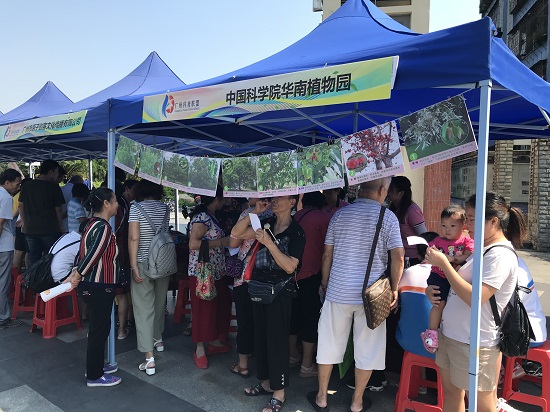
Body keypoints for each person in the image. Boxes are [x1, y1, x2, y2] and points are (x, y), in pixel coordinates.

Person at [424, 191, 526, 412]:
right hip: (452, 335)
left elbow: (475, 297)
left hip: (475, 342)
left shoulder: (500, 255)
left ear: (493, 221)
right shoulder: (480, 249)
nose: (467, 224)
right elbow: (456, 284)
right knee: (452, 394)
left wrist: (445, 265)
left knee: (481, 405)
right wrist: (431, 289)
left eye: (471, 219)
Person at [310, 177, 404, 412]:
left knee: (329, 344)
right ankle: (357, 402)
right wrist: (394, 288)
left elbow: (327, 254)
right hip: (371, 296)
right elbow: (398, 256)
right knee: (368, 349)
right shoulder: (388, 217)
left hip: (338, 290)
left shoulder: (339, 215)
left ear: (360, 189)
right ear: (382, 190)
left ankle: (322, 397)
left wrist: (324, 282)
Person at [232, 195, 305, 412]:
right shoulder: (266, 223)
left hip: (280, 292)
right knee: (261, 337)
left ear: (292, 202)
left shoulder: (297, 232)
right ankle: (265, 382)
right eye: (274, 197)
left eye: (281, 198)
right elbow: (236, 234)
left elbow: (290, 266)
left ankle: (279, 392)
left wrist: (269, 243)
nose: (275, 201)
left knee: (277, 340)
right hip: (259, 288)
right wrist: (254, 212)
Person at [64, 188, 121, 387]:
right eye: (115, 200)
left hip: (93, 284)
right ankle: (95, 375)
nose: (117, 205)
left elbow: (82, 253)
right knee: (99, 329)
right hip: (99, 285)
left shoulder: (90, 224)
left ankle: (95, 366)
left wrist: (75, 272)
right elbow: (93, 254)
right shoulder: (103, 227)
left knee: (99, 328)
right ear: (106, 203)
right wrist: (77, 274)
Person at [128, 180, 174, 376]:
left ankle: (149, 358)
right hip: (162, 262)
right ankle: (158, 339)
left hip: (142, 263)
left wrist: (133, 266)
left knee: (143, 308)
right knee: (159, 303)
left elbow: (134, 238)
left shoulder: (135, 208)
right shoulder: (165, 208)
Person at [228, 198, 273, 379]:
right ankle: (261, 364)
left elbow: (234, 240)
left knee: (245, 322)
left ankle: (243, 365)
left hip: (247, 278)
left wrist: (254, 213)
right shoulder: (282, 215)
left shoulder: (250, 214)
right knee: (263, 323)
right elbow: (235, 237)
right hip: (267, 279)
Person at [187, 186, 231, 370]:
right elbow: (193, 244)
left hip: (216, 270)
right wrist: (222, 242)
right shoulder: (202, 218)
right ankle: (199, 348)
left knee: (219, 305)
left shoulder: (211, 216)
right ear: (217, 199)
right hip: (202, 273)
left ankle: (213, 340)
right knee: (202, 309)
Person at [421, 205, 474, 353]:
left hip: (454, 277)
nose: (447, 230)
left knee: (449, 304)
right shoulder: (437, 241)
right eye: (443, 226)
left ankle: (439, 329)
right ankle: (431, 332)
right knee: (439, 304)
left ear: (463, 226)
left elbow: (468, 254)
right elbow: (429, 252)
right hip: (438, 276)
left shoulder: (466, 241)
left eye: (452, 226)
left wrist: (453, 259)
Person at [289, 191, 330, 378]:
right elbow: (328, 251)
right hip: (312, 276)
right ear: (321, 203)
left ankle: (292, 355)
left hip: (291, 275)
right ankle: (306, 365)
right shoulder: (323, 218)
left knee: (293, 317)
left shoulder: (294, 217)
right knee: (310, 319)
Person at [395, 231, 439, 358]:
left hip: (406, 342)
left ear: (419, 255)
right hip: (436, 348)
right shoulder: (446, 276)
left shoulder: (407, 273)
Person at [18, 159, 65, 265]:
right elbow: (58, 210)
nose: (57, 175)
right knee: (51, 258)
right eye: (56, 172)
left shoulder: (27, 185)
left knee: (34, 258)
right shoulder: (54, 188)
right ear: (51, 172)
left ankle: (33, 276)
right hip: (50, 229)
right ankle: (47, 276)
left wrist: (24, 222)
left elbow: (20, 205)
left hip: (30, 229)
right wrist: (59, 225)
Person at [115, 179, 138, 340]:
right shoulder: (123, 209)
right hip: (122, 255)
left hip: (119, 255)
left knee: (123, 292)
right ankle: (122, 329)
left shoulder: (127, 206)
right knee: (123, 293)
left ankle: (125, 323)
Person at [387, 176, 427, 266]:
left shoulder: (412, 211)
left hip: (412, 258)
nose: (388, 192)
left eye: (391, 189)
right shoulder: (393, 210)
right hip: (396, 256)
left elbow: (423, 236)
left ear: (401, 193)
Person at [0, 169, 22, 329]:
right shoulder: (6, 197)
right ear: (7, 183)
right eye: (17, 184)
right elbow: (0, 223)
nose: (18, 187)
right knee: (3, 282)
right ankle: (3, 317)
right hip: (3, 246)